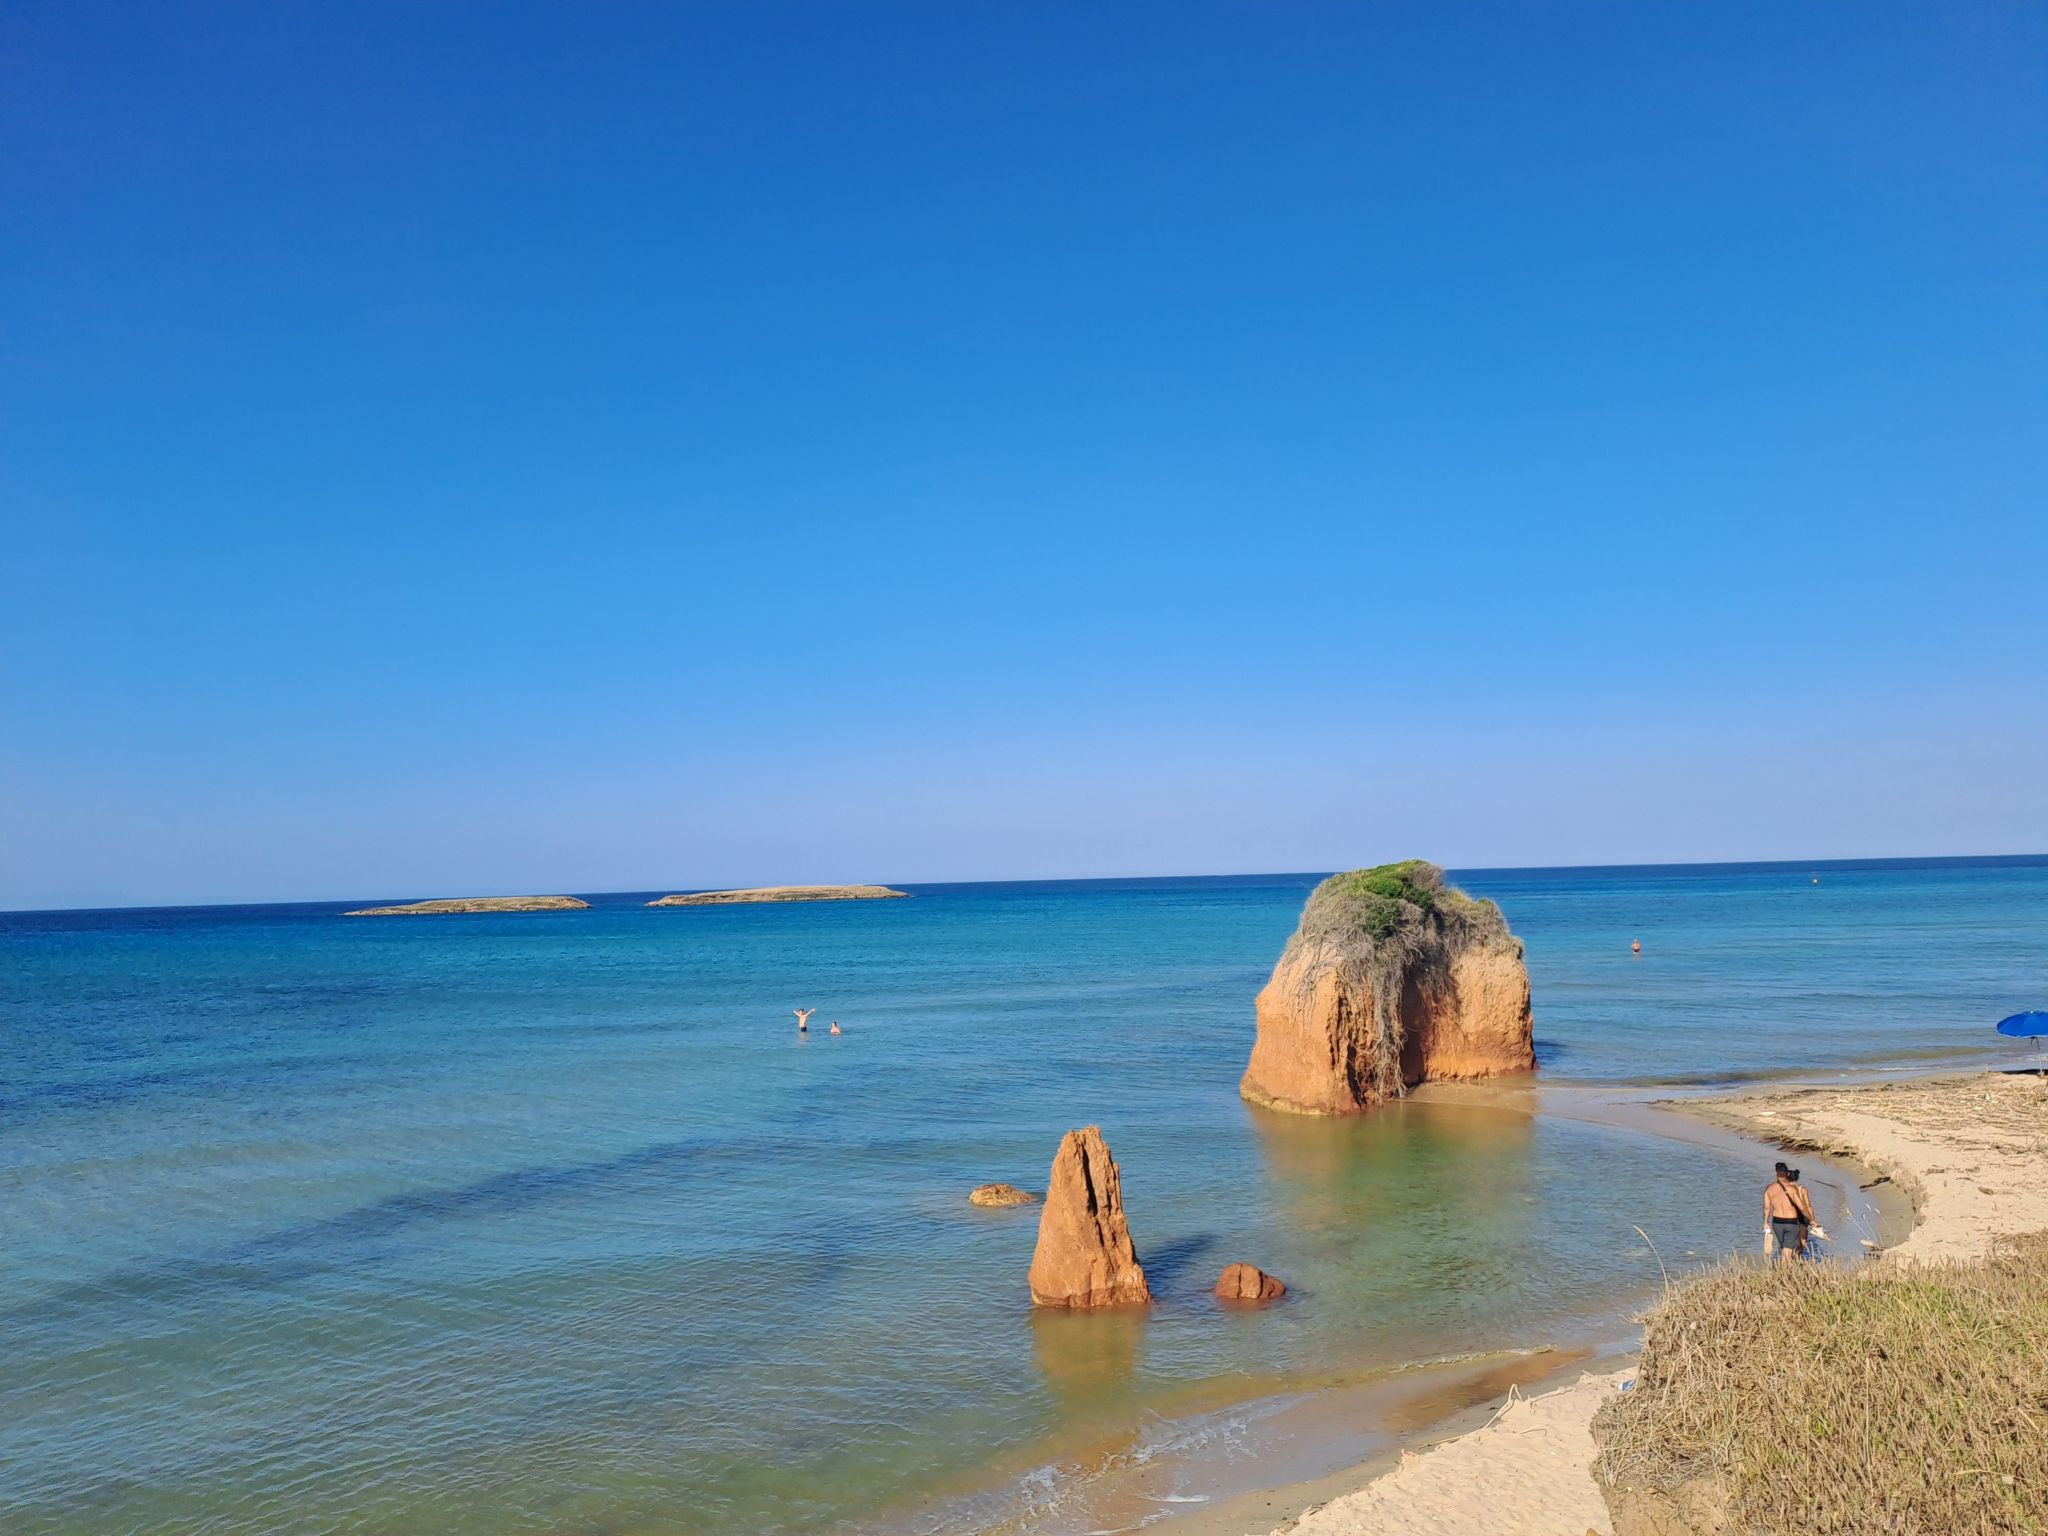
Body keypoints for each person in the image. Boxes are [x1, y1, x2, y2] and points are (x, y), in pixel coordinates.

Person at [1763, 1162, 1807, 1262]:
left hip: (1777, 1223)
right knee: (1787, 1251)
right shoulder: (1792, 1189)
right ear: (1787, 1174)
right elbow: (1802, 1208)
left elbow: (1766, 1207)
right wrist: (1811, 1220)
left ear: (1776, 1173)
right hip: (1791, 1222)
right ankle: (1785, 1272)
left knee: (1785, 1248)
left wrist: (1766, 1223)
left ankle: (1787, 1269)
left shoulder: (1769, 1189)